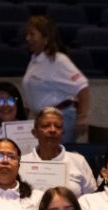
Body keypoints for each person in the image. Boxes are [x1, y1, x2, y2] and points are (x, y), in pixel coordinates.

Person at [23, 15, 90, 143]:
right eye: (27, 35)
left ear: (45, 38)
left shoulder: (58, 60)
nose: (27, 38)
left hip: (61, 120)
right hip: (42, 120)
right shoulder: (34, 61)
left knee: (59, 159)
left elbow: (82, 86)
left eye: (32, 34)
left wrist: (82, 116)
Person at [25, 106, 95, 196]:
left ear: (63, 133)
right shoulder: (23, 162)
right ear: (34, 133)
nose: (53, 130)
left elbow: (91, 197)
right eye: (46, 126)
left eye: (58, 126)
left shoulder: (78, 161)